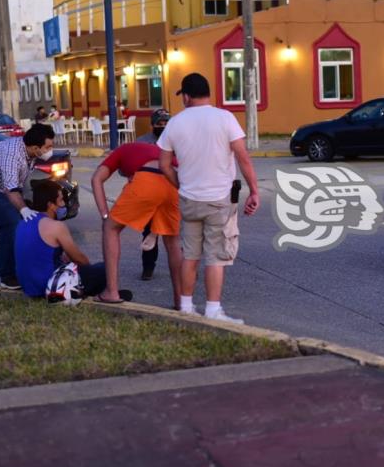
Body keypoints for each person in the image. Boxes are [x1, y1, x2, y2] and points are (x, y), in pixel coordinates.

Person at [158, 72, 259, 323]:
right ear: (208, 93)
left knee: (190, 255)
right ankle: (213, 310)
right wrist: (254, 190)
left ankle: (186, 307)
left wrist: (180, 183)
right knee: (216, 256)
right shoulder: (225, 118)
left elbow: (164, 165)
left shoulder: (175, 123)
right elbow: (242, 157)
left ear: (187, 97)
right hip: (219, 200)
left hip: (189, 200)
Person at [91, 141, 182, 307]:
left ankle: (111, 292)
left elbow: (96, 179)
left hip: (147, 176)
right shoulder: (152, 150)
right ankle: (181, 301)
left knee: (111, 228)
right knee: (172, 241)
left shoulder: (120, 151)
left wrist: (105, 215)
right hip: (174, 181)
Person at [0, 124, 55, 289]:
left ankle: (31, 269)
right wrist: (23, 209)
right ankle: (7, 277)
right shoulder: (11, 152)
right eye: (48, 147)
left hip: (4, 189)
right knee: (11, 223)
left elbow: (18, 186)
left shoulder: (30, 153)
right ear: (35, 147)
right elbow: (10, 189)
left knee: (31, 222)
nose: (51, 150)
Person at [15, 180, 108, 299]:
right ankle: (102, 293)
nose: (63, 204)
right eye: (61, 200)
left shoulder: (22, 223)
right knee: (104, 268)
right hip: (51, 287)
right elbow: (79, 259)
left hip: (28, 286)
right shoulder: (56, 226)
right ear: (51, 205)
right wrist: (88, 270)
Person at [136, 108, 171, 280]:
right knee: (149, 232)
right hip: (149, 193)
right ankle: (148, 268)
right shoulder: (142, 142)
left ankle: (182, 269)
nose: (163, 126)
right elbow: (128, 166)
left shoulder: (176, 141)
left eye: (166, 123)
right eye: (159, 123)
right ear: (152, 125)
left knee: (176, 234)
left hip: (172, 192)